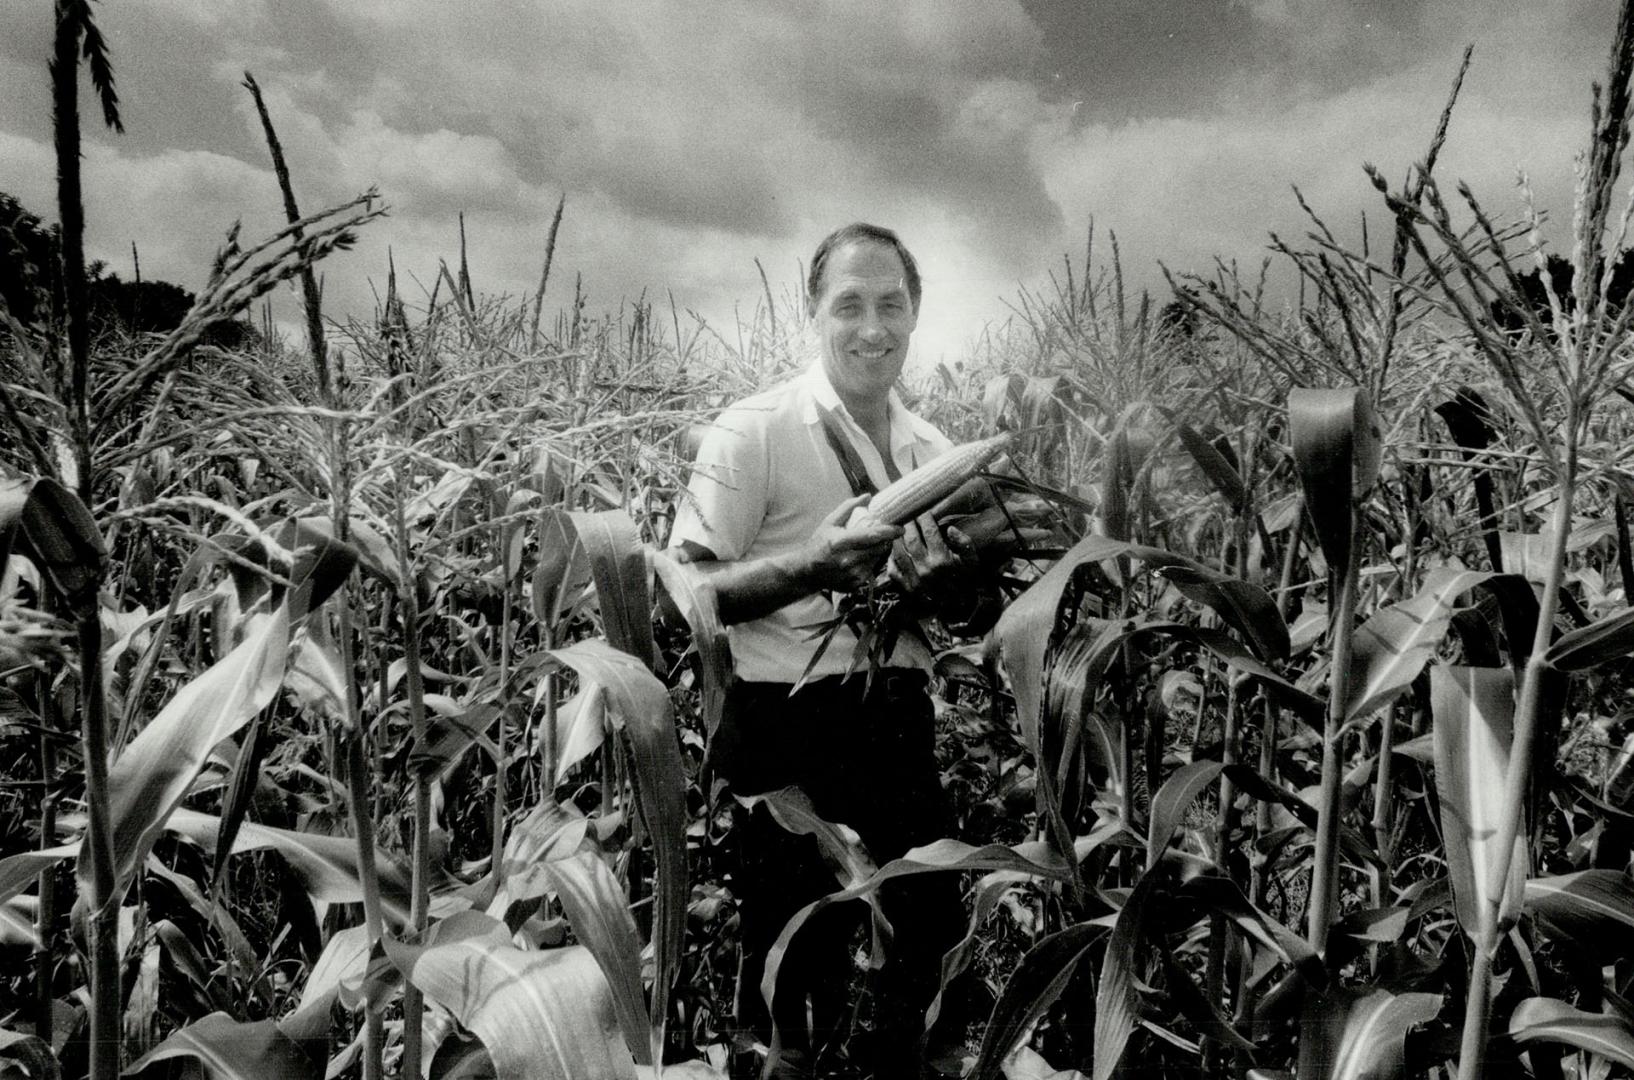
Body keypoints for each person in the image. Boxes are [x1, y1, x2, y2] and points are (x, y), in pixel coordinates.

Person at [669, 223, 981, 1079]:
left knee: (922, 959)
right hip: (783, 732)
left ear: (917, 314)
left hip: (895, 726)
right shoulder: (756, 431)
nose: (872, 327)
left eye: (892, 305)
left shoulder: (935, 453)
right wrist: (812, 564)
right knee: (783, 999)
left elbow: (964, 613)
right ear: (814, 313)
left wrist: (950, 587)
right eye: (850, 305)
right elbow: (688, 592)